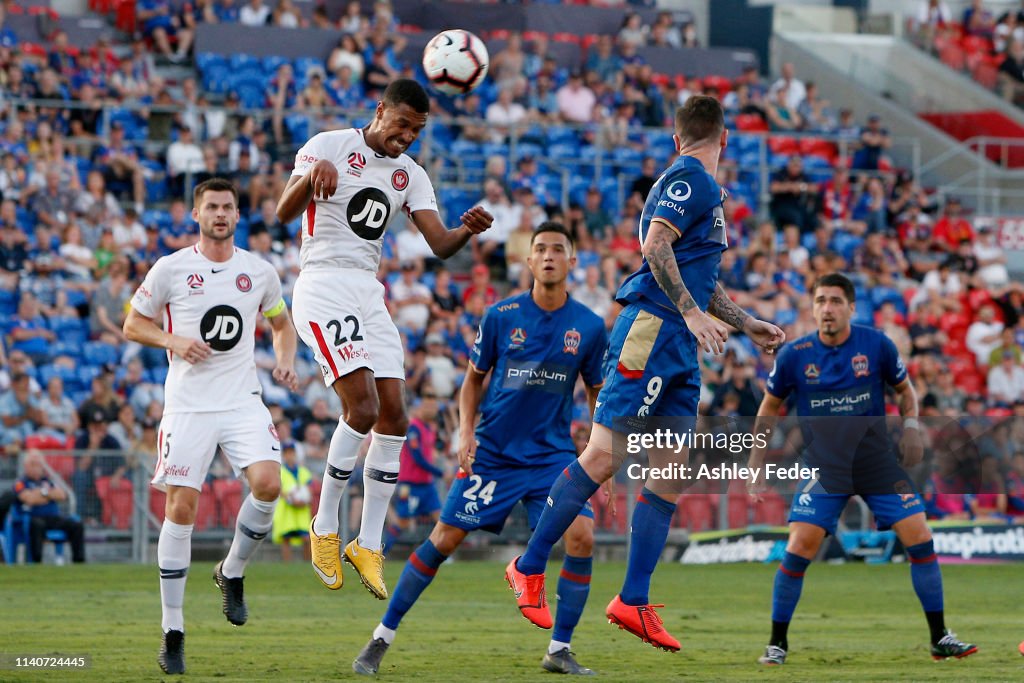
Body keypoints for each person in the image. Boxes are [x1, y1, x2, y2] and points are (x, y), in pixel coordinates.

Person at [504, 97, 785, 652]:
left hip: (679, 342)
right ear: (722, 139)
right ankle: (527, 565)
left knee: (669, 470)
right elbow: (655, 246)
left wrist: (745, 321)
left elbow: (696, 273)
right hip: (652, 331)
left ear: (677, 137)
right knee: (605, 455)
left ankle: (633, 599)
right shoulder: (690, 178)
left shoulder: (697, 183)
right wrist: (688, 311)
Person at [353, 223, 608, 676]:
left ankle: (559, 649)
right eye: (540, 250)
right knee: (444, 539)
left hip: (552, 456)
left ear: (573, 262)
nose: (548, 256)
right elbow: (473, 381)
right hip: (494, 453)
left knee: (582, 538)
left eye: (558, 250)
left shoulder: (588, 326)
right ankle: (381, 636)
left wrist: (595, 446)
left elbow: (596, 389)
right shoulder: (500, 315)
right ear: (528, 262)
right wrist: (465, 432)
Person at [276, 78, 492, 599]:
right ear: (380, 111)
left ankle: (367, 543)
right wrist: (311, 179)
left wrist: (468, 229)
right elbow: (283, 213)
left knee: (395, 413)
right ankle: (324, 527)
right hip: (323, 282)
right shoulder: (329, 145)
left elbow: (439, 243)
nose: (407, 136)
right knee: (364, 407)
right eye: (402, 124)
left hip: (368, 292)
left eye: (417, 130)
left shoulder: (409, 175)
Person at [746, 273, 977, 665]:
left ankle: (940, 637)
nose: (827, 309)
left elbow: (905, 392)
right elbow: (769, 406)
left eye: (835, 301)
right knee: (799, 547)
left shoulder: (877, 345)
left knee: (920, 538)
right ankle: (777, 643)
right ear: (812, 307)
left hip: (876, 464)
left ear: (852, 307)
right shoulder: (794, 354)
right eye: (820, 301)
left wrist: (911, 428)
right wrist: (754, 462)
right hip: (825, 468)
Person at [124, 178, 299, 675]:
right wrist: (173, 342)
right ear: (195, 214)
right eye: (212, 207)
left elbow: (281, 324)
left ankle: (231, 571)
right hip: (189, 406)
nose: (220, 214)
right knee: (181, 508)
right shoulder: (171, 268)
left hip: (242, 399)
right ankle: (173, 630)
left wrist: (284, 360)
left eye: (228, 207)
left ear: (238, 216)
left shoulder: (259, 272)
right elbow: (133, 324)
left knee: (269, 485)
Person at [382, 393, 444, 553]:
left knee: (441, 519)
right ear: (420, 407)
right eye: (428, 406)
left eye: (434, 406)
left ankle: (439, 553)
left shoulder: (429, 428)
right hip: (409, 484)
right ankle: (381, 552)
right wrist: (440, 473)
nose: (432, 409)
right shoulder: (413, 428)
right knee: (402, 521)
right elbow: (418, 458)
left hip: (427, 484)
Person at [13, 451, 86, 563]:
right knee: (37, 525)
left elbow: (62, 495)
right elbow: (29, 499)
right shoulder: (21, 483)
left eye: (39, 464)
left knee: (76, 525)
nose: (37, 467)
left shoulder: (48, 481)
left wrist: (41, 493)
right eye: (33, 464)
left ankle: (79, 561)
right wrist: (49, 495)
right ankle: (37, 561)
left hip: (52, 517)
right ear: (26, 466)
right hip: (31, 518)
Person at [272, 441, 313, 562]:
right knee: (286, 539)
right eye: (287, 453)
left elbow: (309, 489)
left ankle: (307, 563)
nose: (289, 455)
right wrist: (290, 498)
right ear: (283, 455)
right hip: (287, 511)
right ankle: (287, 565)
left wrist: (305, 500)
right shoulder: (280, 472)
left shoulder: (303, 472)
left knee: (306, 538)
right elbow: (279, 489)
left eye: (291, 453)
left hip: (301, 511)